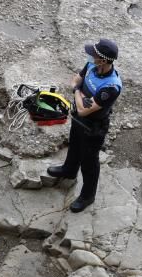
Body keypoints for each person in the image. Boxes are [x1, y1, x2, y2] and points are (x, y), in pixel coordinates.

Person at [46, 39, 122, 213]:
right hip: (79, 122)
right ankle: (69, 170)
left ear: (103, 60)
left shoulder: (111, 87)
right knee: (74, 145)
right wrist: (78, 92)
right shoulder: (92, 66)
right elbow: (75, 80)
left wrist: (78, 92)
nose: (90, 56)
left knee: (89, 162)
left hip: (94, 128)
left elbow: (83, 110)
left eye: (93, 54)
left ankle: (88, 195)